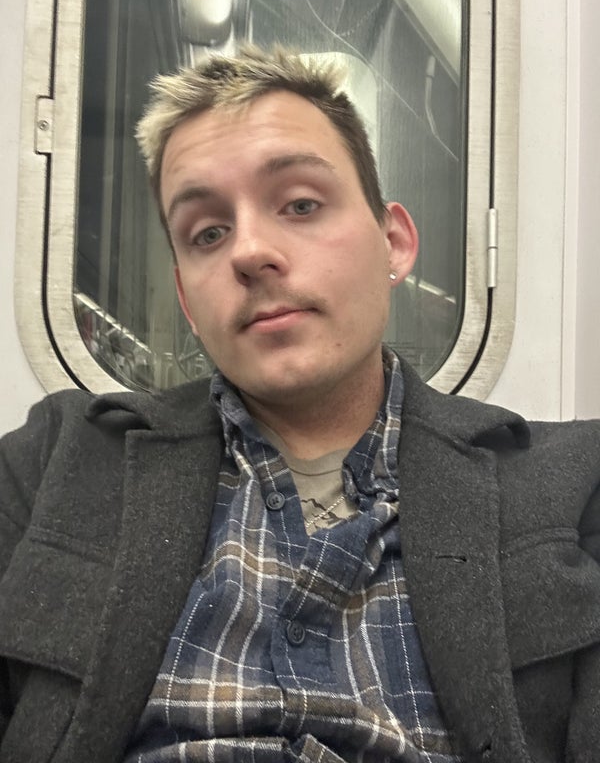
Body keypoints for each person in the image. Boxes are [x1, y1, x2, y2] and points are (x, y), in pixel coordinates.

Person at [1, 46, 599, 763]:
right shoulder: (54, 463)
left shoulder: (570, 487)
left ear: (393, 242)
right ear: (188, 298)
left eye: (301, 205)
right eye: (208, 233)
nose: (249, 251)